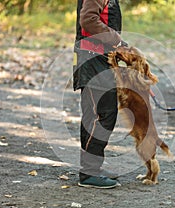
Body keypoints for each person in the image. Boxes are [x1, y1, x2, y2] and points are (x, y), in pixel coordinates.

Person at [73, 0, 127, 189]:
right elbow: (88, 20)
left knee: (94, 115)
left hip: (98, 58)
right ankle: (89, 173)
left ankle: (91, 168)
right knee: (102, 115)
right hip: (92, 59)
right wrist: (117, 40)